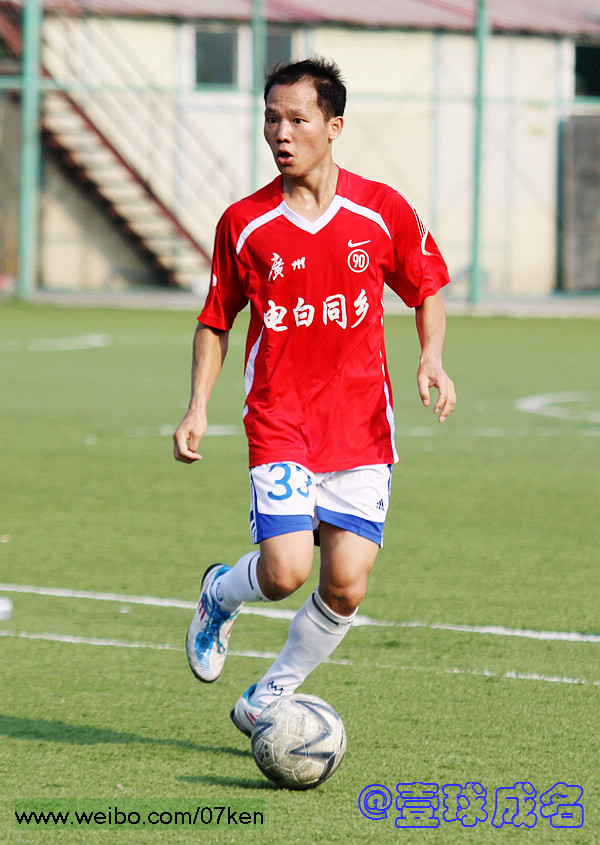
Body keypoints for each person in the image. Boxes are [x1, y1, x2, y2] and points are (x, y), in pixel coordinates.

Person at [173, 57, 456, 737]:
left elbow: (426, 287)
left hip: (361, 425)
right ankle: (220, 593)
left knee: (346, 584)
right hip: (282, 420)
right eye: (271, 118)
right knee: (285, 572)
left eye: (297, 118)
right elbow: (216, 319)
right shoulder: (245, 223)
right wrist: (197, 406)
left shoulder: (380, 210)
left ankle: (268, 696)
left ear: (334, 126)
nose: (281, 132)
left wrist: (432, 357)